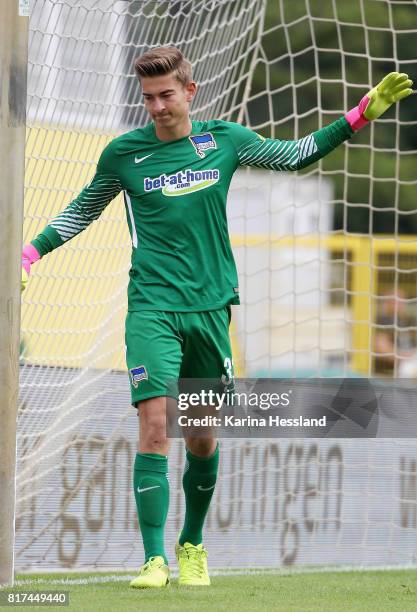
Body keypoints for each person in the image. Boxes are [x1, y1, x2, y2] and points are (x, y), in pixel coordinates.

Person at [21, 46, 412, 587]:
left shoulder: (223, 140)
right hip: (152, 306)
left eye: (166, 95)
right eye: (149, 98)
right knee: (155, 424)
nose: (158, 106)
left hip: (209, 309)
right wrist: (31, 252)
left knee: (200, 436)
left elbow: (294, 154)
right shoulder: (123, 155)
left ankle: (193, 543)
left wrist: (359, 115)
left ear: (189, 92)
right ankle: (154, 559)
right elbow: (84, 209)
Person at [374, 288, 417, 376]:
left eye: (401, 300)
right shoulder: (382, 321)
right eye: (395, 301)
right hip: (396, 365)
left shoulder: (408, 320)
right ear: (387, 303)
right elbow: (381, 347)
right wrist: (404, 355)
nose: (399, 304)